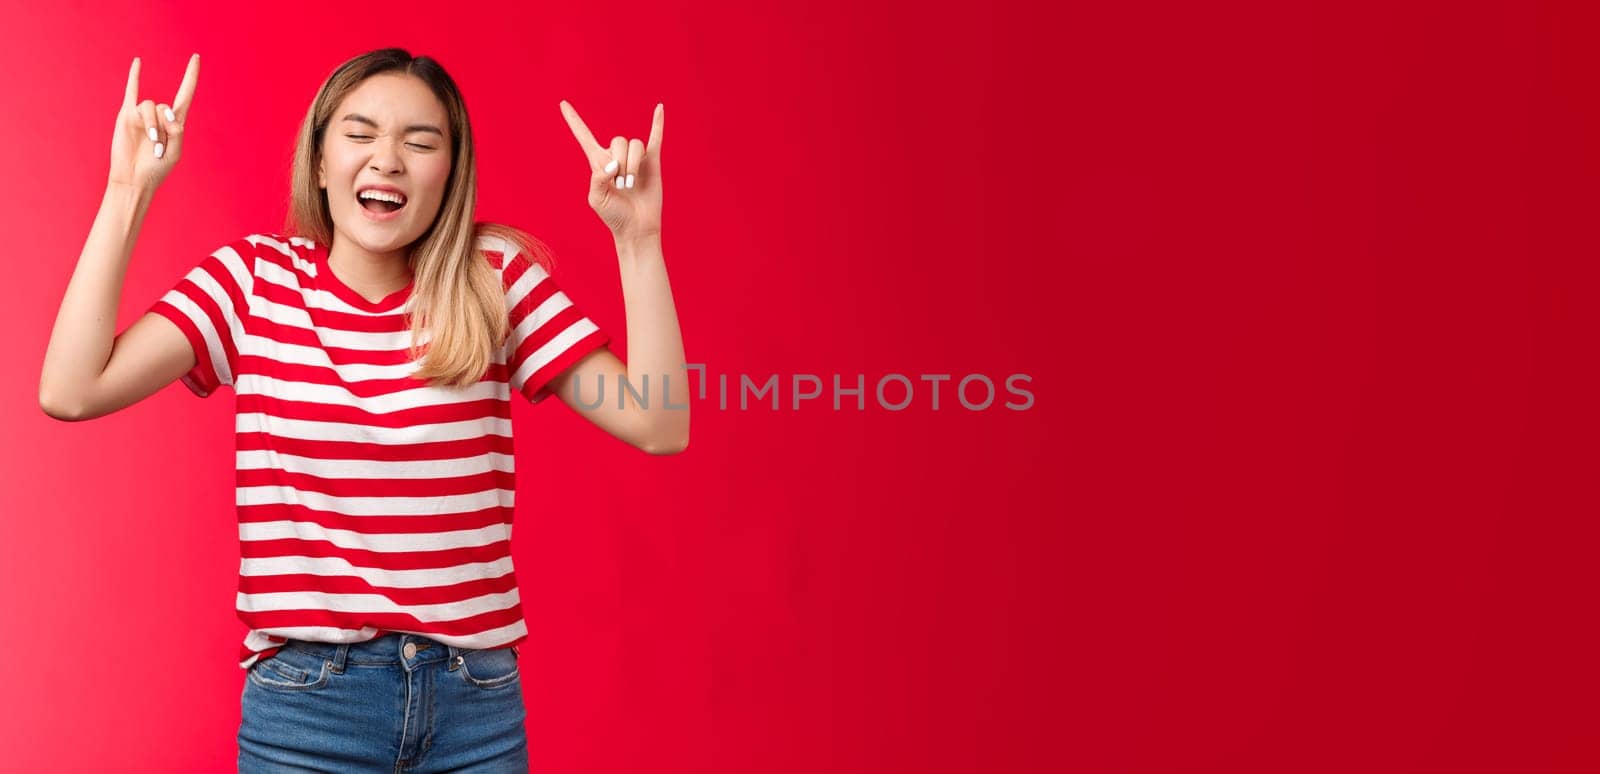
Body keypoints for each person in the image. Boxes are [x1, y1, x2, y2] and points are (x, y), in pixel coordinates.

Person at [38, 48, 688, 772]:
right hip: (309, 708)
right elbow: (71, 390)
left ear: (451, 173)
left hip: (475, 707)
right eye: (360, 133)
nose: (388, 160)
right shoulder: (254, 285)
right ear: (319, 162)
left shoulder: (492, 280)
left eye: (421, 141)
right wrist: (128, 190)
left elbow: (657, 421)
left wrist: (639, 241)